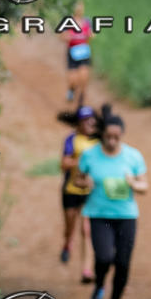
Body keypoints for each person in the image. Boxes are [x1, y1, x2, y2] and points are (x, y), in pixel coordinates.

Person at [76, 109, 148, 299]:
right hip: (99, 215)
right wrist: (84, 182)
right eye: (108, 136)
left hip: (126, 216)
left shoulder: (133, 156)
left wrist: (133, 183)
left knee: (123, 263)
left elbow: (145, 186)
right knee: (104, 257)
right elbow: (77, 179)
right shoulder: (89, 155)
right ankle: (99, 285)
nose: (112, 141)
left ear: (122, 135)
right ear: (102, 135)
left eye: (116, 137)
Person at [58, 105, 99, 282]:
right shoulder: (71, 139)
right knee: (70, 226)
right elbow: (64, 164)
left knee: (87, 229)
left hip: (90, 192)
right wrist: (82, 161)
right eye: (85, 120)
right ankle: (67, 243)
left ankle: (87, 270)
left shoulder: (98, 141)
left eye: (91, 119)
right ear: (79, 123)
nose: (90, 122)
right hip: (71, 190)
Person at [61, 0, 93, 104]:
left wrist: (89, 36)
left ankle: (82, 98)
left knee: (84, 76)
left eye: (81, 7)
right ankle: (71, 89)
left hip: (84, 52)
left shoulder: (87, 21)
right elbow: (62, 36)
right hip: (72, 52)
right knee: (73, 80)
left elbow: (91, 35)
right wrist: (67, 37)